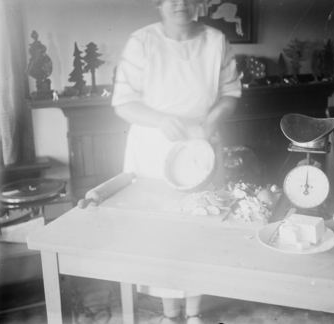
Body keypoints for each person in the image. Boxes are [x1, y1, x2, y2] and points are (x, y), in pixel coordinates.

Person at [111, 0, 242, 322]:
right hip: (155, 146)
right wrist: (159, 120)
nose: (180, 4)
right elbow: (123, 102)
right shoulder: (141, 42)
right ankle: (170, 315)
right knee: (161, 236)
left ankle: (194, 314)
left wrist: (212, 119)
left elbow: (230, 92)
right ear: (158, 3)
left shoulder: (216, 40)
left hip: (202, 142)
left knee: (200, 226)